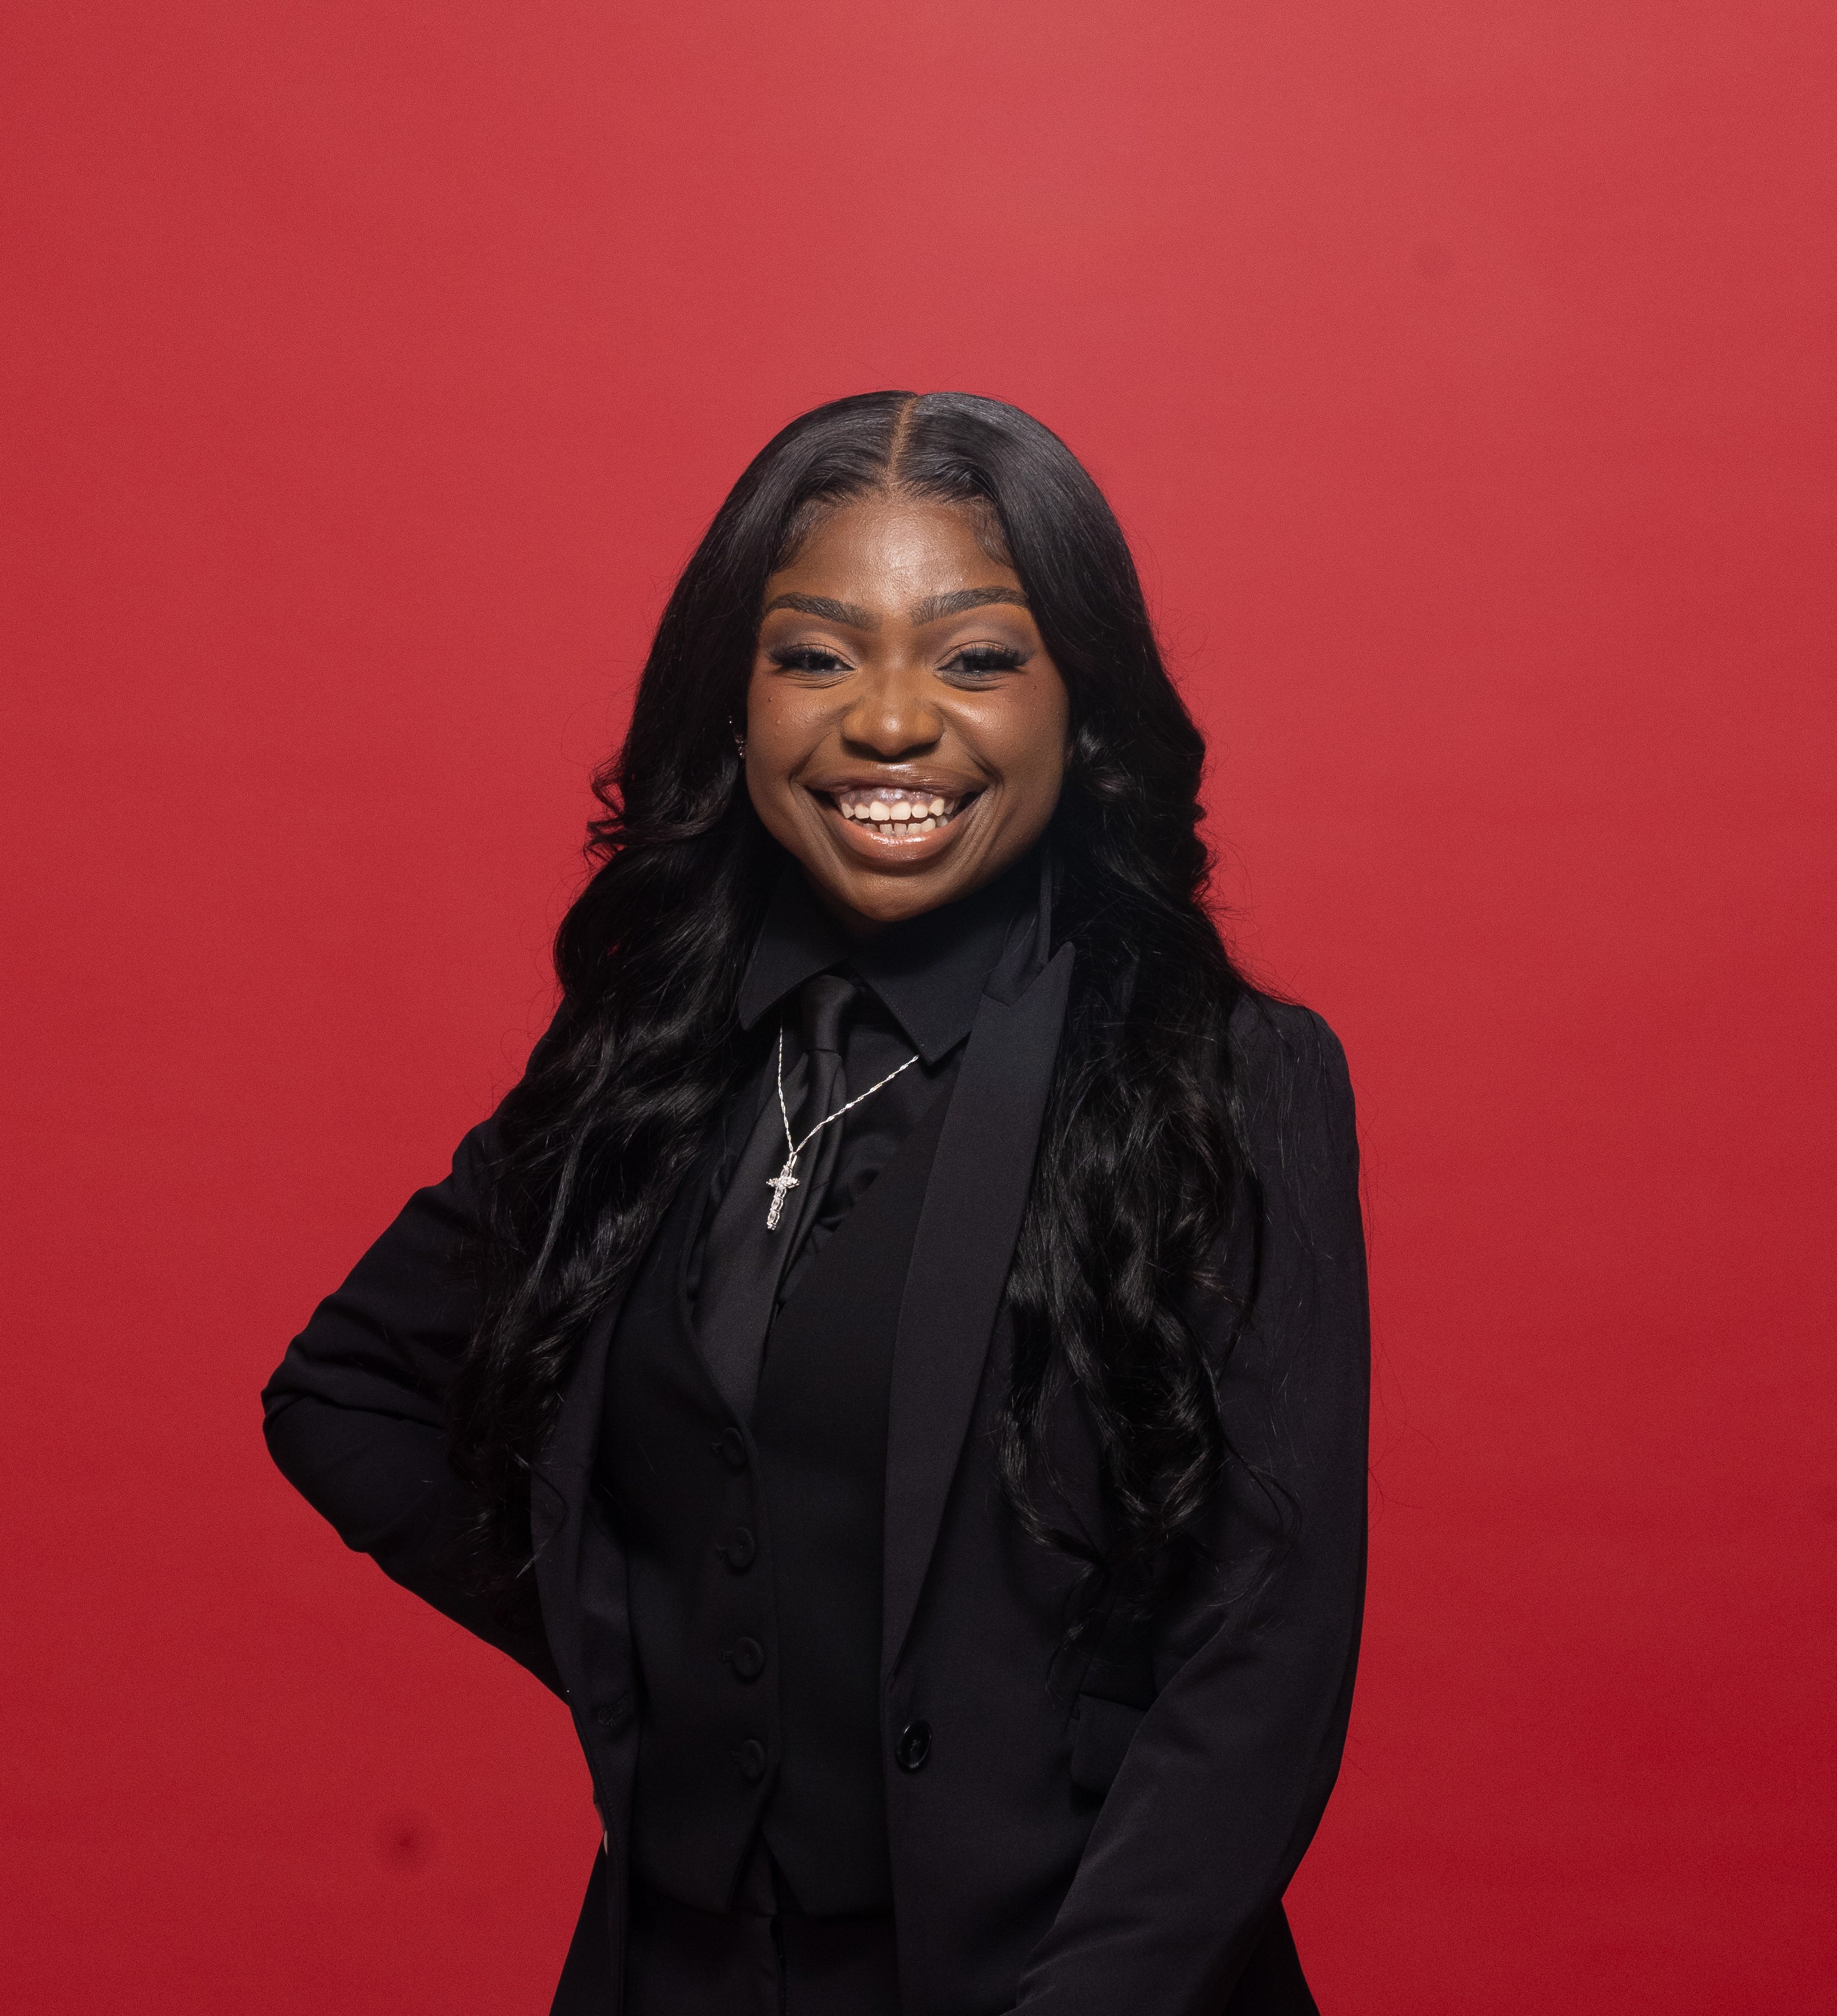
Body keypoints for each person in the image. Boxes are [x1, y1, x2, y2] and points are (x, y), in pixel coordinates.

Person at [262, 390, 1369, 2016]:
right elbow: (346, 1389)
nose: (892, 723)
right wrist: (655, 1654)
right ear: (736, 703)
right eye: (817, 657)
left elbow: (1263, 1656)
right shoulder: (648, 1057)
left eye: (975, 658)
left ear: (1081, 706)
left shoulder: (1226, 1078)